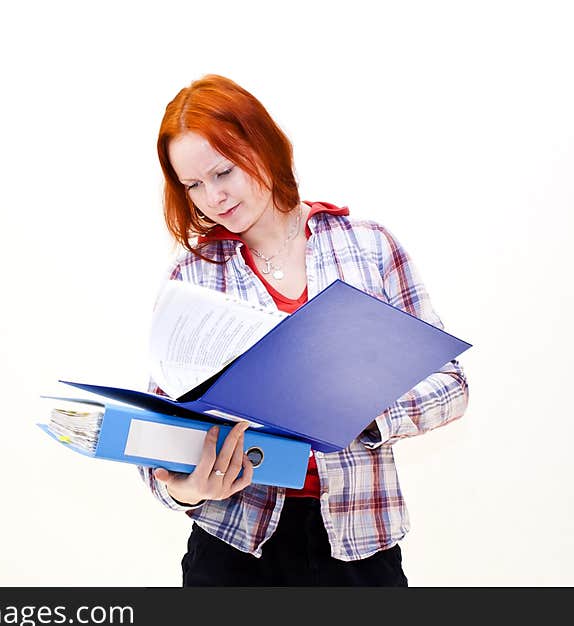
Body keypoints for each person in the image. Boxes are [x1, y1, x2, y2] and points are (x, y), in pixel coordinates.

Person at [139, 74, 469, 586]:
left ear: (263, 146)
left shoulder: (367, 247)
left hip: (361, 545)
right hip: (234, 550)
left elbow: (451, 385)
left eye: (223, 171)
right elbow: (157, 433)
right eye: (193, 185)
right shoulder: (194, 276)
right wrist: (187, 487)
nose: (214, 197)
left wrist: (362, 413)